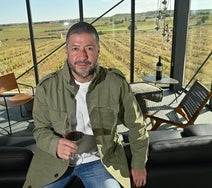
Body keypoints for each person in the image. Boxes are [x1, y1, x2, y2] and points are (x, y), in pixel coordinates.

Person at [23, 22, 149, 188]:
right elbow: (40, 130)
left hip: (101, 161)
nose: (82, 56)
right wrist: (55, 145)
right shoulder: (47, 87)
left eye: (89, 48)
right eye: (75, 48)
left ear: (98, 51)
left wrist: (139, 163)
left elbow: (137, 125)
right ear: (67, 51)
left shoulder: (115, 83)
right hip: (54, 161)